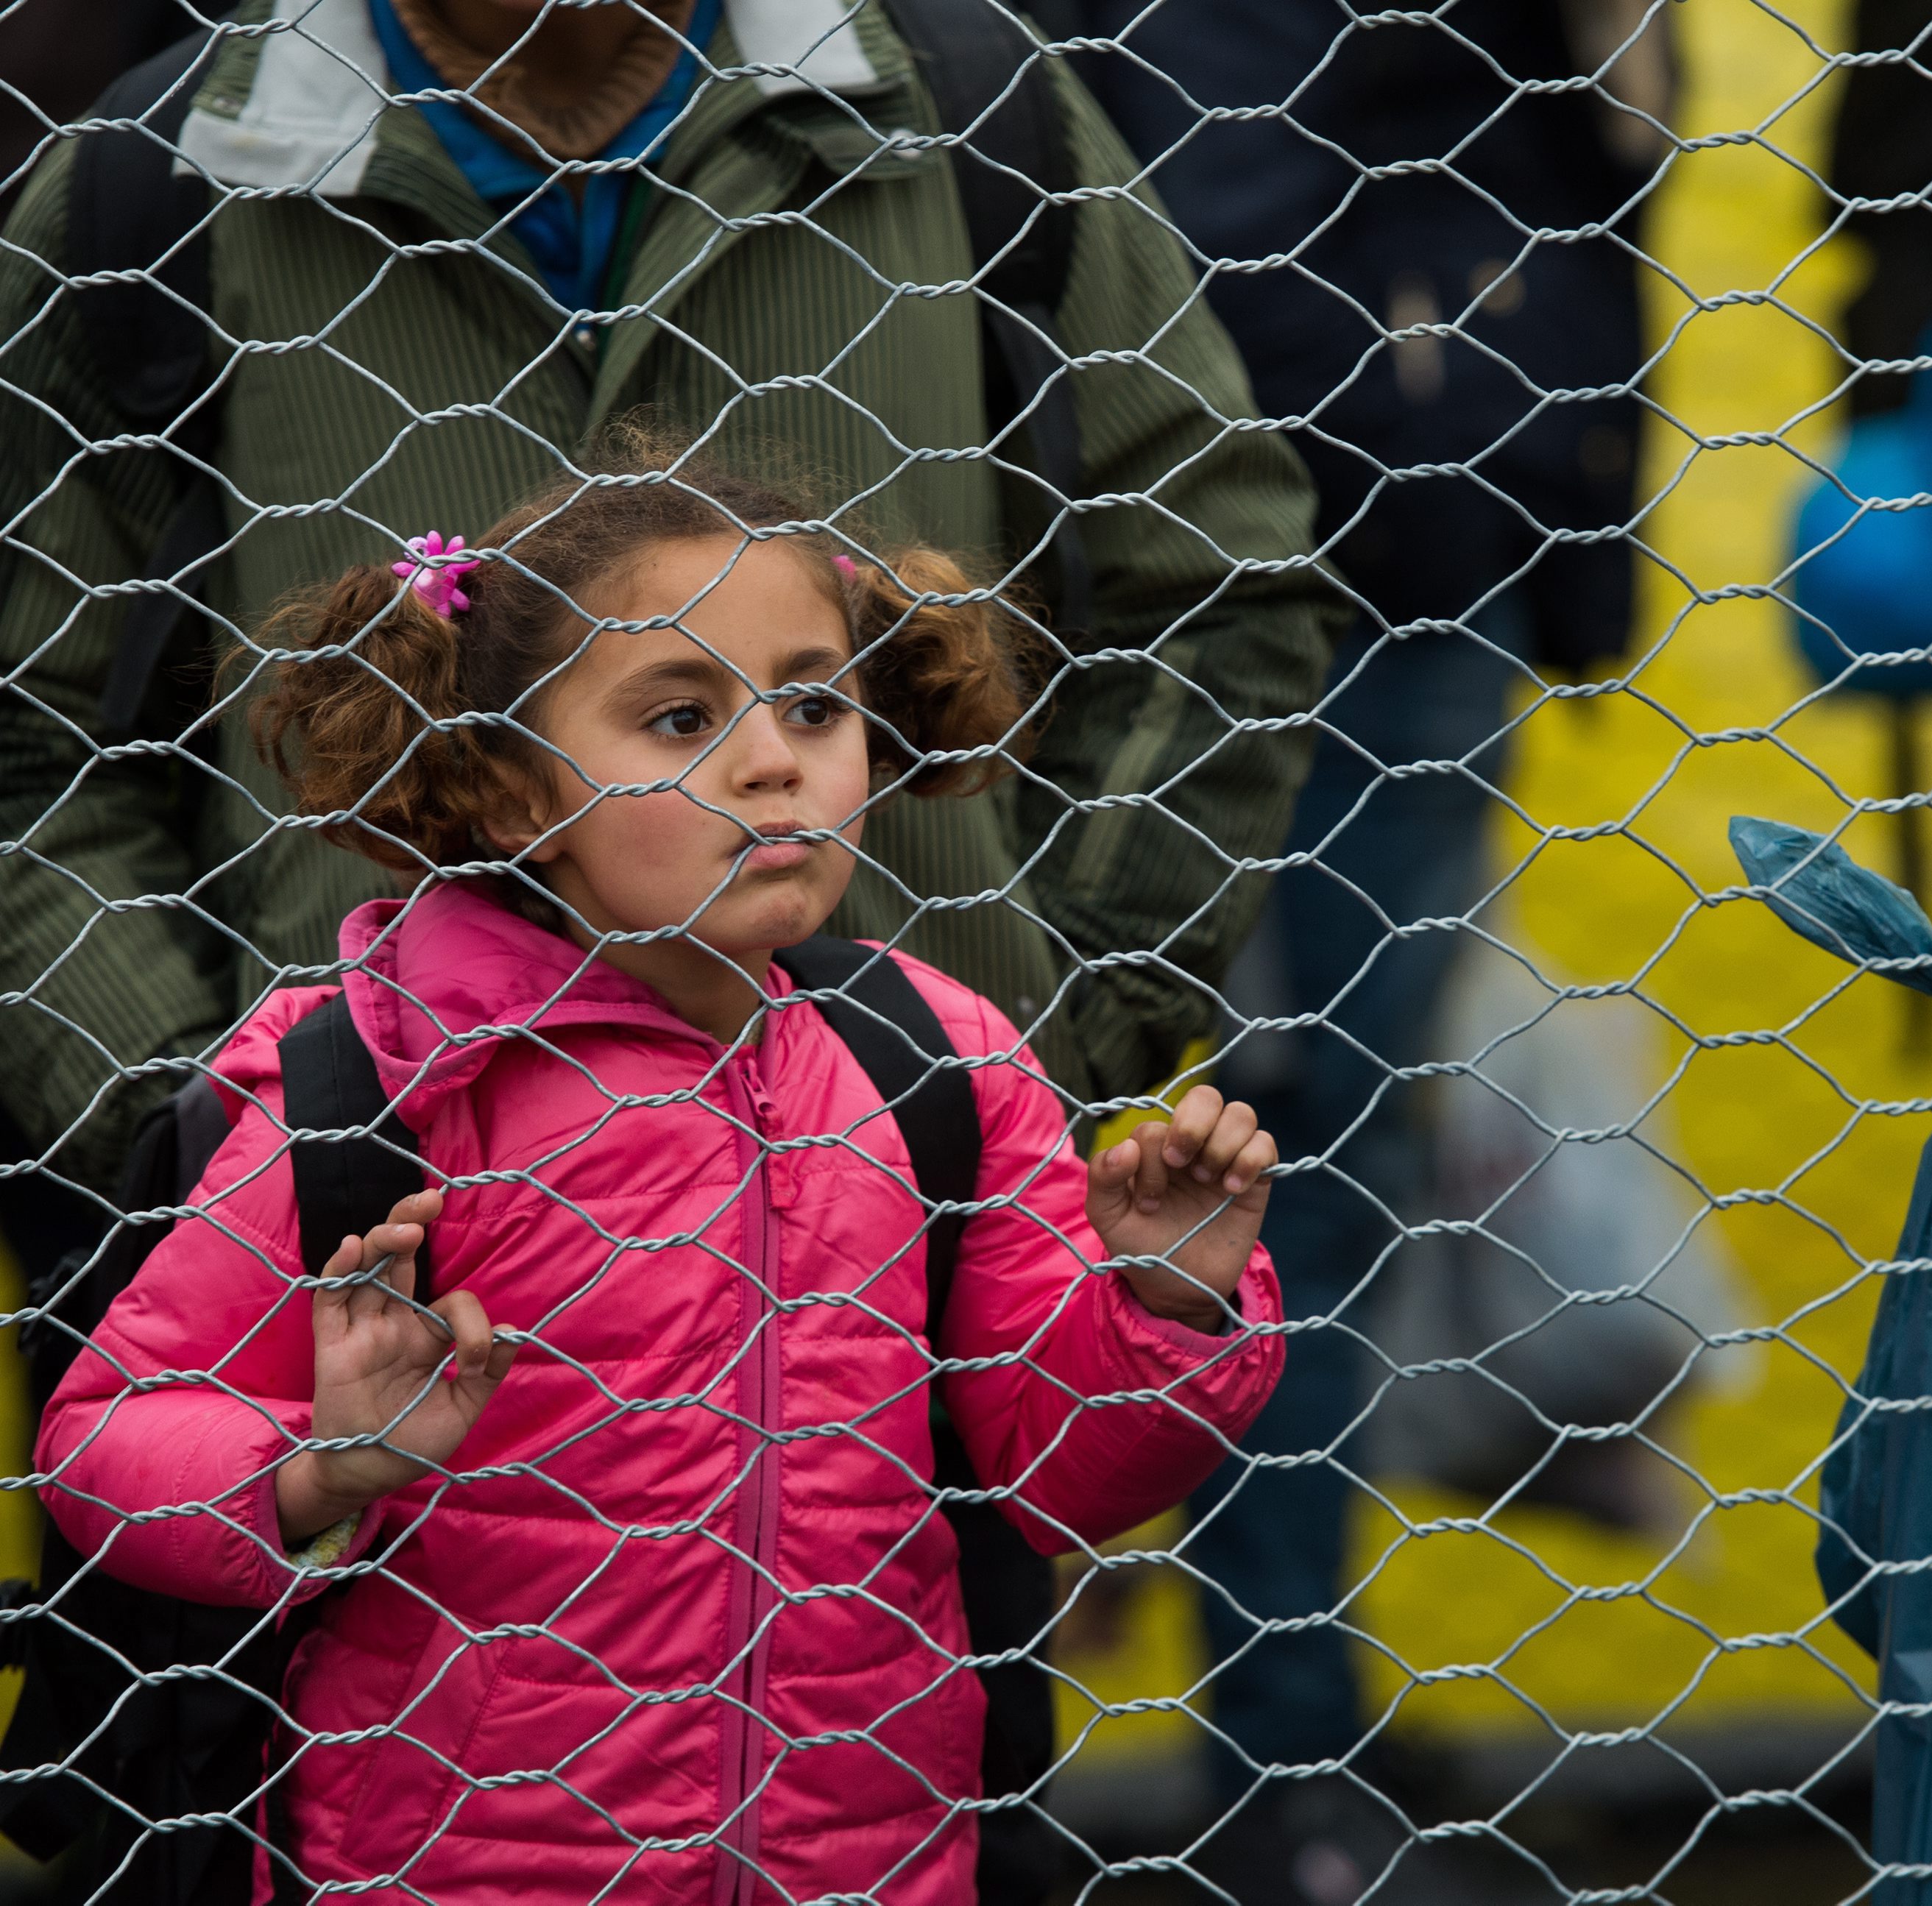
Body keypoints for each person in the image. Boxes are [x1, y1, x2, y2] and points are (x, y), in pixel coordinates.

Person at [33, 445, 1289, 1903]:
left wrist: (1160, 1297)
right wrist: (322, 1466)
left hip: (865, 1861)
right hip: (454, 1864)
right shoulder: (380, 1075)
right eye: (682, 714)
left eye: (814, 701)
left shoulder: (930, 1061)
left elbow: (1054, 1473)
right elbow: (105, 1437)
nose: (774, 758)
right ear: (509, 793)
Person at [0, 0, 1338, 1201]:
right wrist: (195, 1124)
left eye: (814, 702)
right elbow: (25, 739)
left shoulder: (974, 111)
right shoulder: (151, 188)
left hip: (913, 1249)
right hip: (368, 1286)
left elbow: (1215, 594)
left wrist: (1047, 1031)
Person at [1053, 0, 1656, 1891]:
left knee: (1315, 1149)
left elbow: (1584, 147)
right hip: (1288, 539)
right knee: (1261, 1152)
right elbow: (1221, 173)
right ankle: (1273, 1754)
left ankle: (1286, 1701)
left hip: (1393, 529)